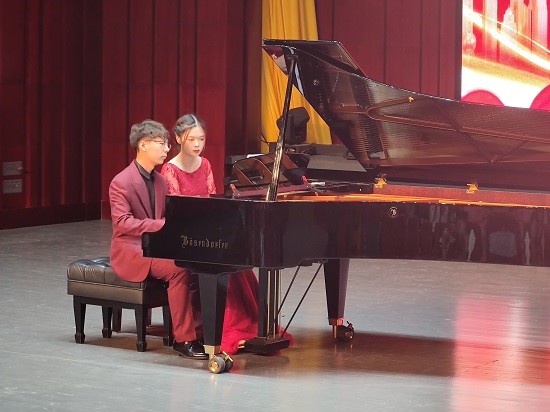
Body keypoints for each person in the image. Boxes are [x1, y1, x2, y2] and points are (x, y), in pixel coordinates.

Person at [160, 114, 261, 355]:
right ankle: (218, 329)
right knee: (220, 260)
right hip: (185, 236)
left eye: (201, 139)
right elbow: (179, 212)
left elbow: (212, 200)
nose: (197, 144)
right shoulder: (169, 169)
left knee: (237, 259)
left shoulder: (204, 164)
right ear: (178, 139)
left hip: (206, 231)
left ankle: (244, 324)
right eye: (191, 139)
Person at [109, 119, 208, 360]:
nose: (167, 149)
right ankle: (184, 339)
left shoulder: (161, 181)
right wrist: (161, 225)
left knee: (199, 264)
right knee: (179, 269)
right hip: (132, 251)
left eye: (166, 144)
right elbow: (122, 223)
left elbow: (168, 218)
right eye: (161, 143)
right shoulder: (121, 182)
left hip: (156, 247)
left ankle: (201, 333)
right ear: (143, 145)